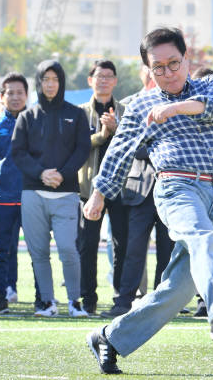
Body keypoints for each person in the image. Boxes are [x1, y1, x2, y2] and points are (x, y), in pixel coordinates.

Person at [83, 28, 213, 375]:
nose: (168, 72)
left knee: (177, 291)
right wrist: (99, 193)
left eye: (173, 63)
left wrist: (175, 109)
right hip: (176, 188)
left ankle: (109, 338)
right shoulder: (141, 105)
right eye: (158, 67)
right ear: (148, 69)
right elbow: (118, 151)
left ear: (186, 59)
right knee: (203, 240)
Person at [11, 60, 91, 317]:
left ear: (61, 82)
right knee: (39, 252)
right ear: (39, 82)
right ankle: (47, 303)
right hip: (33, 192)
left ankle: (74, 302)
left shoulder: (76, 114)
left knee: (68, 248)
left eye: (55, 79)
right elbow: (18, 153)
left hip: (66, 192)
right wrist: (41, 173)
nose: (50, 84)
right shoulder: (27, 116)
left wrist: (62, 174)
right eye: (45, 79)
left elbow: (82, 149)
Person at [100, 66, 174, 319]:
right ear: (145, 71)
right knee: (133, 249)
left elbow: (170, 144)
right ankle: (124, 300)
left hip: (169, 188)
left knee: (167, 248)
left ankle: (162, 301)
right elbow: (129, 144)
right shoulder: (131, 103)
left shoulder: (177, 103)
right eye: (152, 67)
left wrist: (149, 145)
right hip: (138, 188)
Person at [77, 60, 127, 314]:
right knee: (87, 245)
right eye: (99, 76)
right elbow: (74, 146)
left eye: (109, 76)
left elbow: (134, 143)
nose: (104, 80)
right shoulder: (79, 112)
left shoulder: (126, 110)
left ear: (115, 81)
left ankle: (120, 297)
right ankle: (88, 299)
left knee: (120, 245)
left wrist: (117, 130)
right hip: (88, 190)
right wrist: (101, 136)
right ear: (90, 80)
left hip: (119, 190)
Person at [0, 73, 29, 314]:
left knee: (37, 250)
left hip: (32, 196)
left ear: (27, 96)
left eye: (20, 92)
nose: (15, 96)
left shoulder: (35, 123)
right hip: (2, 197)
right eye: (10, 92)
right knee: (0, 249)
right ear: (2, 96)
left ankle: (44, 299)